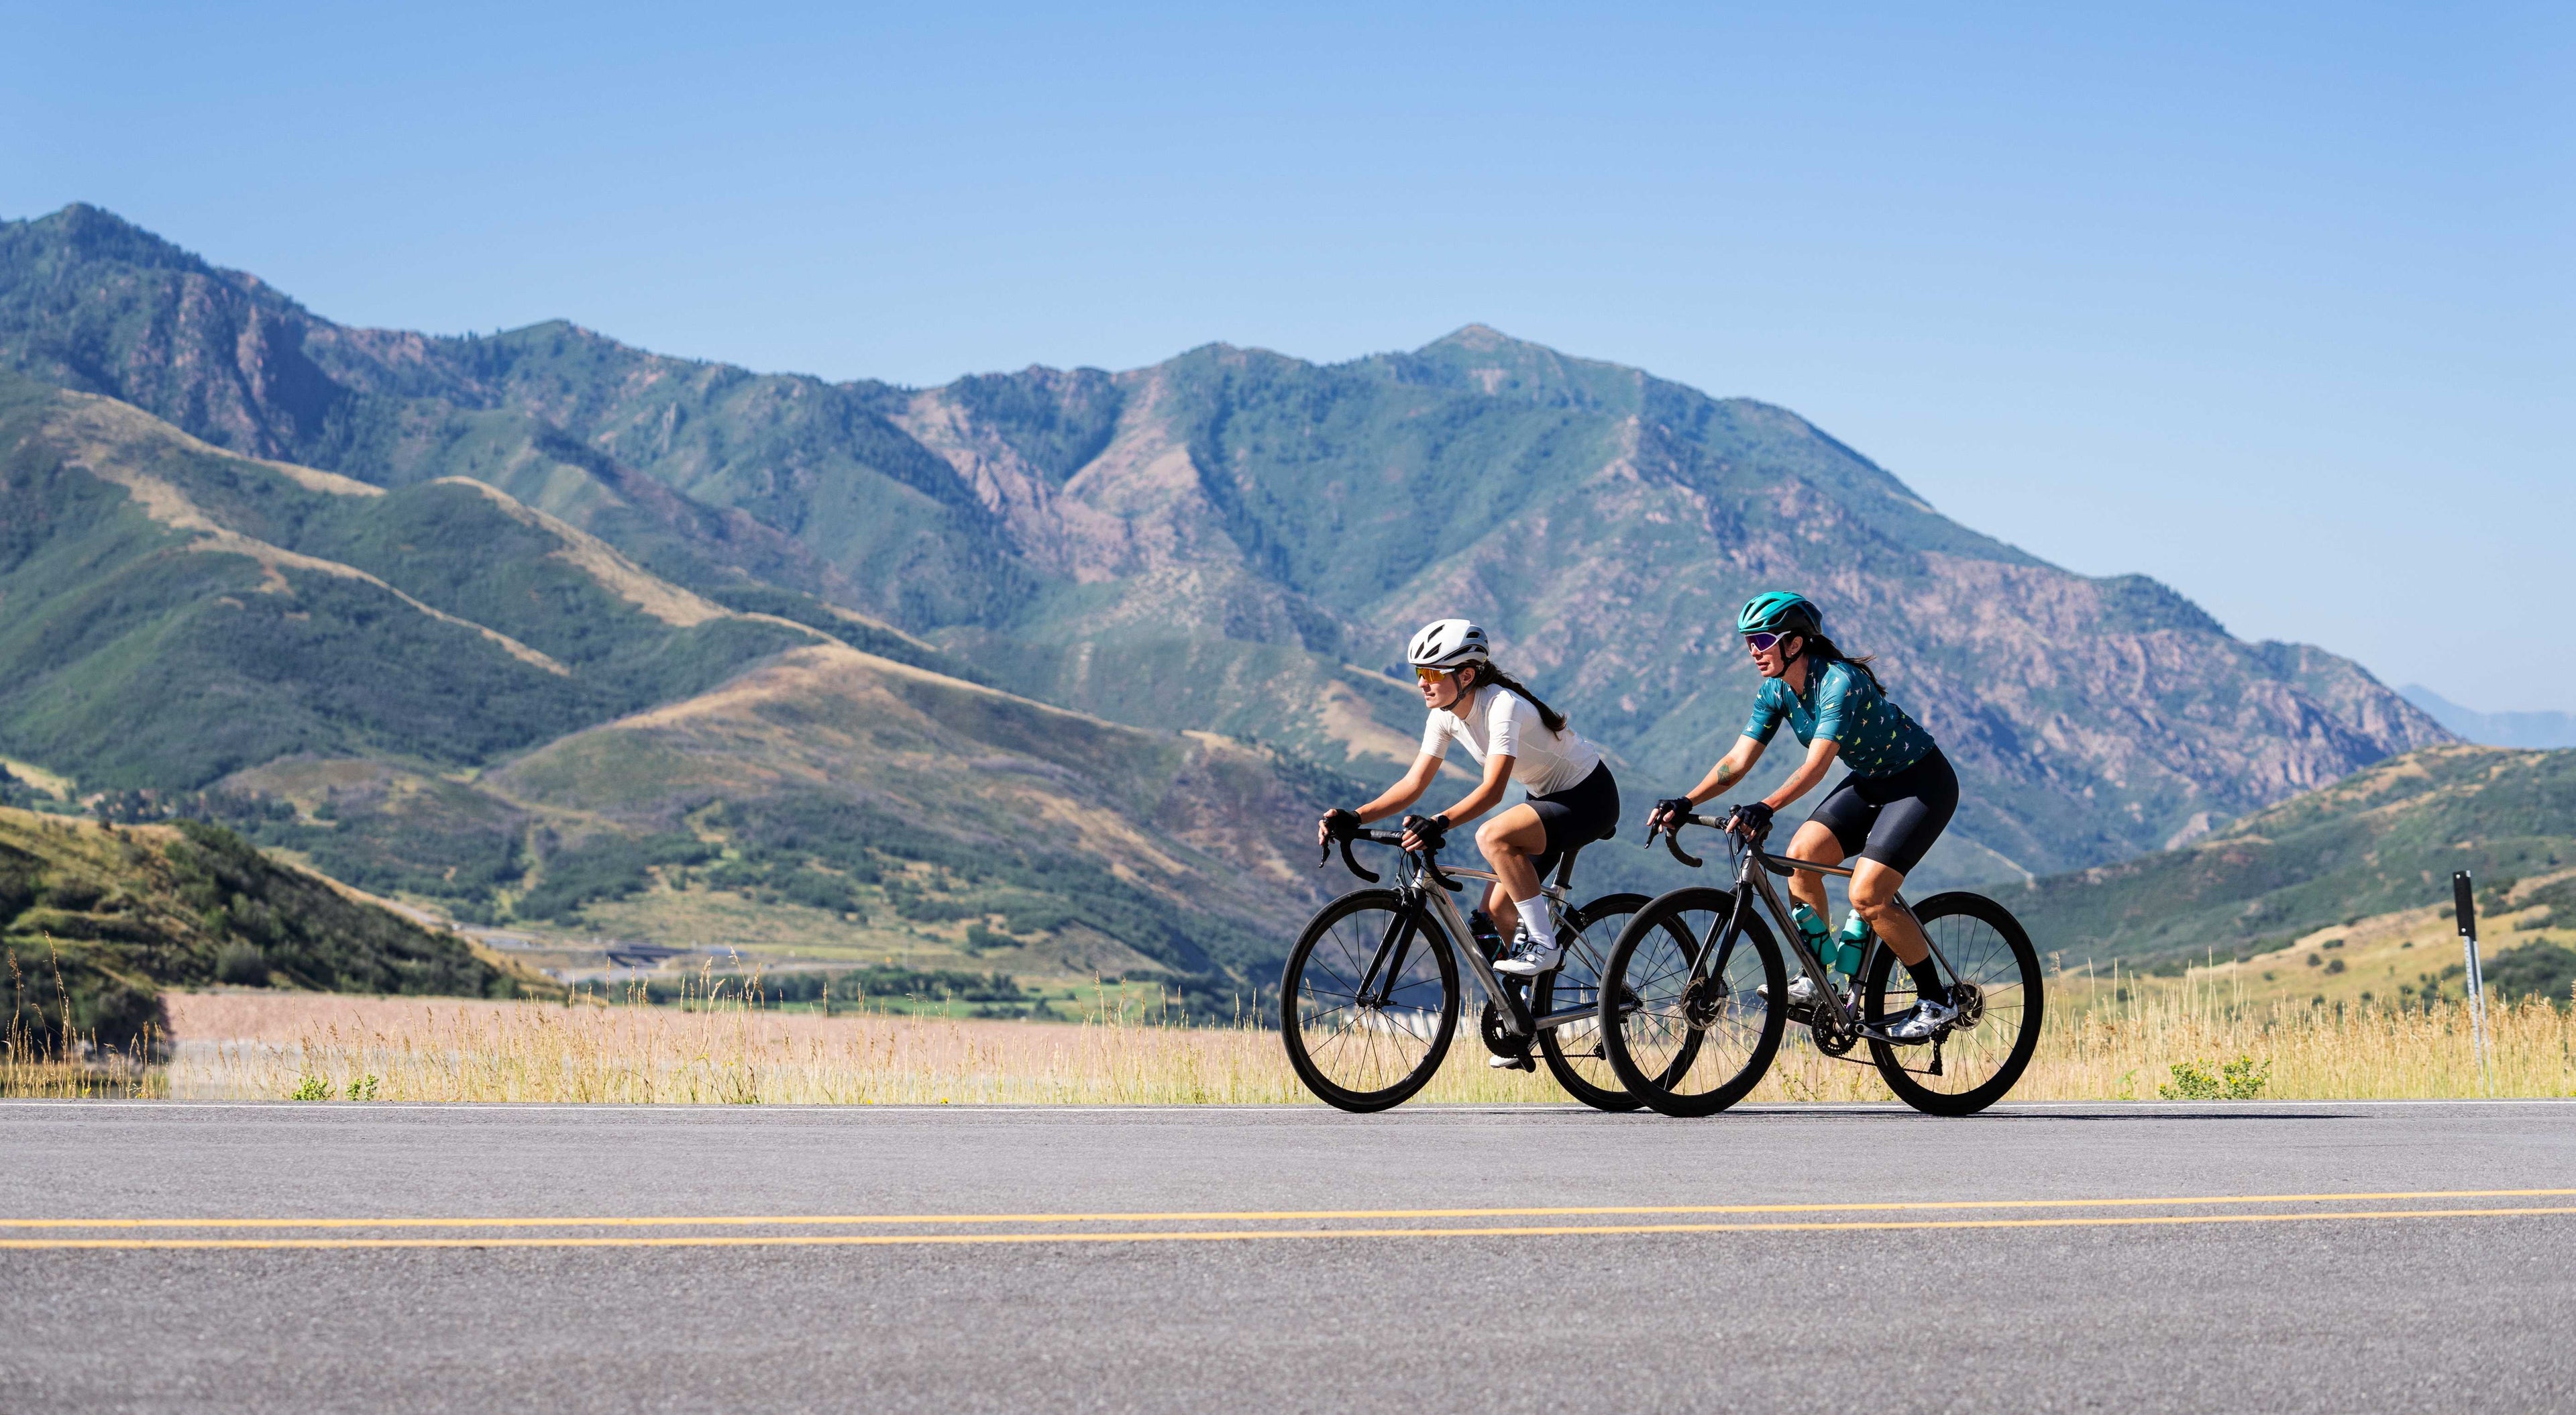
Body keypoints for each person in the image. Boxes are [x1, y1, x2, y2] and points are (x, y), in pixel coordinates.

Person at [1643, 591, 1962, 1041]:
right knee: (1800, 857)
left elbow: (1817, 766)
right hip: (1871, 781)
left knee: (1868, 895)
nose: (1754, 650)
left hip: (1921, 783)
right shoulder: (1775, 690)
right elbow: (1737, 760)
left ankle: (1937, 998)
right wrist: (1687, 801)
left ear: (1795, 643)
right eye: (1749, 641)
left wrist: (1766, 805)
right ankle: (1817, 978)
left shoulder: (1839, 682)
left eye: (1763, 639)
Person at [1318, 619, 1621, 996]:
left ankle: (1545, 946)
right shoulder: (1443, 717)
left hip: (1589, 798)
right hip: (1545, 799)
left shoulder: (1502, 706)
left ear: (1465, 675)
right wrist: (1356, 815)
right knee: (1495, 914)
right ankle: (1523, 1013)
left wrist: (1439, 823)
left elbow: (1493, 791)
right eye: (1418, 672)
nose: (1420, 683)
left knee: (1492, 835)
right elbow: (1413, 784)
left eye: (1430, 672)